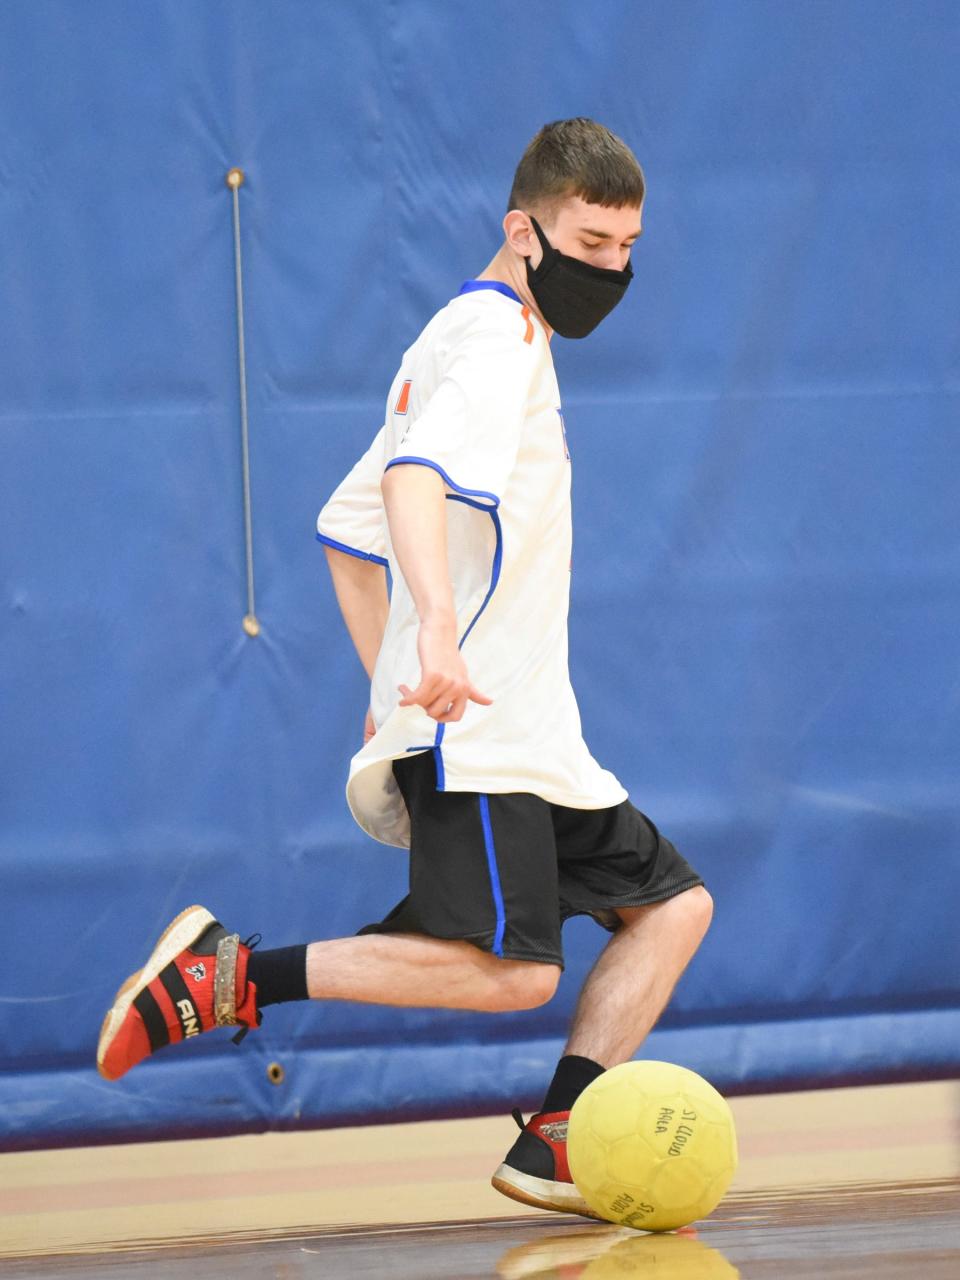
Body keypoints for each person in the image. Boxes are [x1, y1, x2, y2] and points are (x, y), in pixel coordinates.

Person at [97, 118, 713, 1218]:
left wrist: (393, 689)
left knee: (671, 909)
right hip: (483, 728)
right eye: (592, 241)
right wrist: (433, 632)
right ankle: (228, 974)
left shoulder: (458, 338)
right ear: (523, 229)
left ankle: (561, 1135)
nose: (613, 268)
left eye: (628, 246)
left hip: (525, 731)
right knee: (514, 969)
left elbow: (342, 527)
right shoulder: (493, 345)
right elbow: (413, 482)